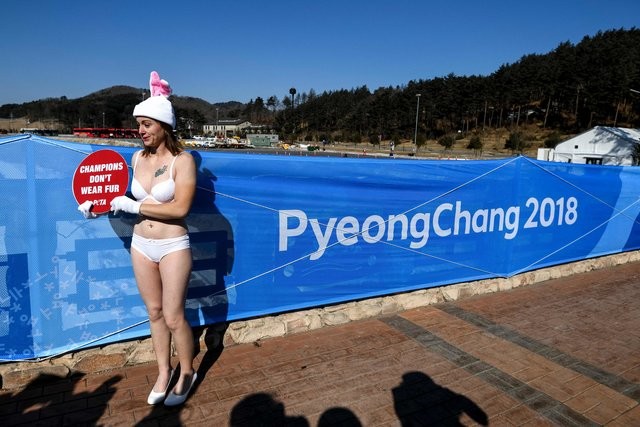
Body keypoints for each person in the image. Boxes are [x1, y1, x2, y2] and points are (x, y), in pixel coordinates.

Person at [79, 71, 198, 406]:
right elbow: (125, 201)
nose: (141, 131)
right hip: (140, 245)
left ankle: (187, 372)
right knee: (155, 313)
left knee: (174, 316)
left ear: (164, 125)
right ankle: (164, 371)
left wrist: (136, 206)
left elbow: (180, 208)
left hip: (172, 245)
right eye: (139, 125)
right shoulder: (136, 158)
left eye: (147, 124)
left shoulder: (183, 161)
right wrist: (97, 209)